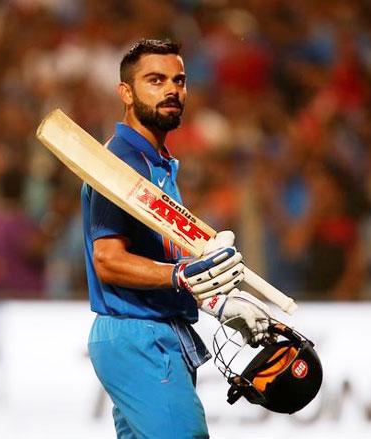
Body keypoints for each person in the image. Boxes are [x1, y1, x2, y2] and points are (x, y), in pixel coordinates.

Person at [82, 39, 272, 439]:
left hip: (153, 330)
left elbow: (171, 263)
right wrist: (181, 277)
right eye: (155, 80)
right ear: (126, 93)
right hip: (139, 333)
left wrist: (220, 303)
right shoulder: (122, 164)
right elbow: (108, 260)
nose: (172, 89)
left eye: (179, 80)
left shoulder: (157, 166)